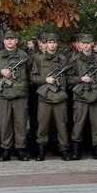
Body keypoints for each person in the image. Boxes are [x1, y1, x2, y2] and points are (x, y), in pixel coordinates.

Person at [0, 30, 31, 161]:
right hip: (4, 94)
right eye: (7, 39)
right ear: (4, 41)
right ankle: (5, 150)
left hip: (20, 94)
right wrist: (1, 71)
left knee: (20, 123)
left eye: (12, 39)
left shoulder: (24, 55)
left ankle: (21, 150)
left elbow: (30, 74)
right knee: (4, 123)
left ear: (17, 40)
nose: (10, 41)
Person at [31, 33, 71, 161]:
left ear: (56, 44)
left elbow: (68, 78)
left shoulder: (63, 59)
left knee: (62, 126)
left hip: (59, 97)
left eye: (54, 42)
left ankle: (64, 150)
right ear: (45, 44)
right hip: (45, 98)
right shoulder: (39, 59)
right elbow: (33, 78)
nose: (52, 45)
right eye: (49, 42)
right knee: (43, 126)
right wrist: (45, 80)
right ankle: (41, 151)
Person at [68, 33, 97, 160]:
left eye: (88, 43)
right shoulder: (74, 59)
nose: (86, 45)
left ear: (92, 44)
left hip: (95, 94)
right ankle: (76, 150)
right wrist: (81, 78)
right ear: (80, 44)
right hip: (80, 96)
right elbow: (68, 78)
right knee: (78, 124)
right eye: (83, 43)